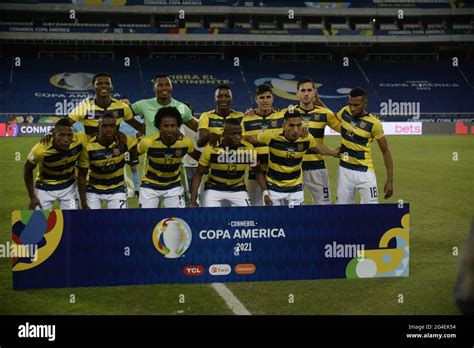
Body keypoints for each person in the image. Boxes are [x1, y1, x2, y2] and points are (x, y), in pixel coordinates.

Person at [244, 109, 340, 206]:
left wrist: (333, 152)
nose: (295, 130)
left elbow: (317, 148)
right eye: (291, 125)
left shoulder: (306, 138)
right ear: (284, 126)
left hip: (296, 189)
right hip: (274, 189)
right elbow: (249, 139)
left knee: (296, 220)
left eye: (298, 125)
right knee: (274, 220)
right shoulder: (272, 137)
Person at [190, 118, 271, 208]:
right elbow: (198, 174)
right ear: (224, 134)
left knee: (247, 216)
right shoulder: (211, 147)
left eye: (240, 133)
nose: (237, 137)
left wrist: (265, 193)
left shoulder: (248, 149)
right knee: (210, 216)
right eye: (233, 133)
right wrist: (193, 200)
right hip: (214, 188)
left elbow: (258, 172)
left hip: (238, 189)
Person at [335, 87, 393, 204]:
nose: (352, 108)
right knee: (341, 212)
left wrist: (390, 180)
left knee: (371, 212)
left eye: (356, 105)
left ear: (365, 103)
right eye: (350, 104)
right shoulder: (344, 112)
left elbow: (385, 151)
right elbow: (331, 118)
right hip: (345, 170)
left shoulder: (374, 124)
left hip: (365, 172)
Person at [137, 107, 201, 208]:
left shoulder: (185, 143)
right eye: (165, 126)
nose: (169, 129)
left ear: (178, 126)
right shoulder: (148, 142)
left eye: (173, 126)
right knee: (145, 219)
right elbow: (133, 154)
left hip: (173, 186)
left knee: (176, 220)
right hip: (150, 186)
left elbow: (199, 158)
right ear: (159, 126)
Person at [292, 77, 341, 205]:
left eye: (309, 90)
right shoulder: (288, 114)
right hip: (295, 168)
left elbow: (343, 127)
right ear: (297, 93)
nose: (306, 93)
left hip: (318, 167)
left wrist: (320, 103)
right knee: (294, 208)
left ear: (314, 92)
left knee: (323, 206)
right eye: (303, 90)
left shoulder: (325, 113)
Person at [77, 112, 138, 209]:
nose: (108, 129)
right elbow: (82, 175)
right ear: (99, 127)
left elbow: (139, 143)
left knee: (119, 221)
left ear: (116, 128)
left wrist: (133, 158)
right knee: (91, 221)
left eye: (112, 126)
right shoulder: (88, 147)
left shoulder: (125, 141)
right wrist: (83, 203)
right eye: (104, 126)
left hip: (117, 189)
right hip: (93, 190)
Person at [24, 118, 87, 210]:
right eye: (61, 135)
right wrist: (32, 196)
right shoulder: (40, 149)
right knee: (37, 221)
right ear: (53, 134)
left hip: (68, 188)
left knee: (73, 219)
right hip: (44, 187)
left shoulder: (80, 140)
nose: (66, 139)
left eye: (69, 135)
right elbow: (27, 169)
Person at [241, 84, 284, 206]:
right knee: (253, 208)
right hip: (254, 171)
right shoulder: (246, 119)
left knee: (276, 208)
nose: (265, 100)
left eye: (268, 97)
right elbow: (242, 142)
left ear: (273, 99)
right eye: (262, 97)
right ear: (256, 99)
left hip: (275, 172)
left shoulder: (281, 117)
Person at [68, 72, 144, 138]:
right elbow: (64, 124)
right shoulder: (84, 107)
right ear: (93, 87)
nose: (104, 86)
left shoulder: (122, 107)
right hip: (91, 150)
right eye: (99, 83)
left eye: (107, 83)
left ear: (112, 86)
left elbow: (139, 127)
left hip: (114, 150)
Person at [131, 74, 198, 136]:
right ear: (154, 88)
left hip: (175, 148)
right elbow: (125, 113)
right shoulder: (143, 104)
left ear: (171, 87)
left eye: (167, 85)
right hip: (152, 147)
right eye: (160, 85)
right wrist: (141, 128)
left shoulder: (182, 107)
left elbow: (197, 128)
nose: (164, 88)